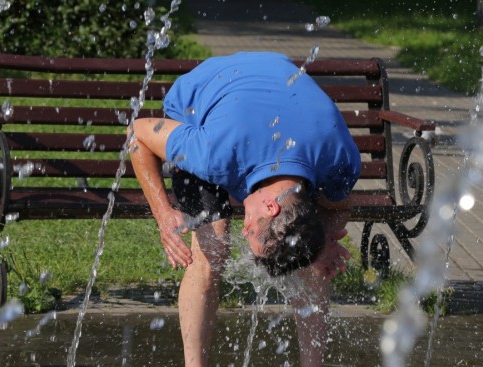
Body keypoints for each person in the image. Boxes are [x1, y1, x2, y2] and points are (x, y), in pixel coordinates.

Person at [129, 51, 361, 366]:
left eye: (249, 230)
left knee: (311, 258)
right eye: (250, 228)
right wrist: (163, 214)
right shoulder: (212, 153)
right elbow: (138, 133)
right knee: (211, 251)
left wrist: (325, 240)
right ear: (271, 205)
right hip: (200, 102)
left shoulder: (336, 161)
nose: (244, 228)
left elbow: (340, 205)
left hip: (266, 97)